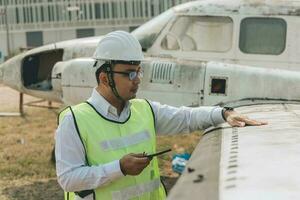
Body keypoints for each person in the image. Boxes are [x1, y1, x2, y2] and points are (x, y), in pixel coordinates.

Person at [55, 31, 267, 200]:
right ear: (104, 78)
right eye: (130, 73)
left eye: (139, 71)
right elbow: (68, 179)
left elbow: (185, 118)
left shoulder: (144, 109)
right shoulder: (74, 120)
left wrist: (223, 113)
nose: (137, 79)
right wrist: (119, 168)